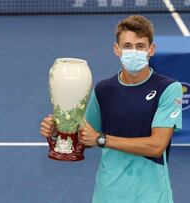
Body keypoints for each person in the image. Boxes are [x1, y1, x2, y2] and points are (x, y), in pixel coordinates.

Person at [40, 15, 182, 203]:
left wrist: (101, 139)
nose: (134, 51)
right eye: (127, 46)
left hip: (152, 196)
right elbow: (86, 138)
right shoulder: (103, 90)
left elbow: (156, 146)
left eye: (140, 46)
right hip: (108, 195)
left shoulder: (169, 88)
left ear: (151, 50)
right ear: (117, 49)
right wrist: (60, 130)